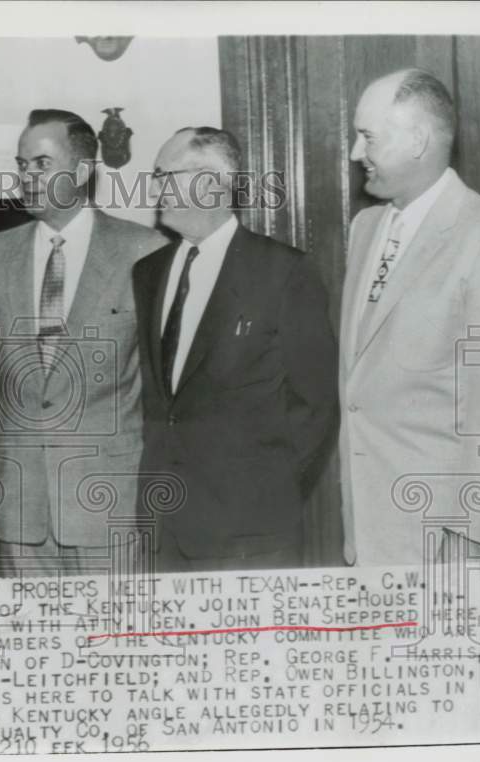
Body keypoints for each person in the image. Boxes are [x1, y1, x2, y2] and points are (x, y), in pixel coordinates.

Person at [0, 108, 167, 575]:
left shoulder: (144, 250)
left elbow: (164, 379)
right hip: (20, 501)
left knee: (116, 639)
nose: (27, 177)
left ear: (83, 169)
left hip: (108, 500)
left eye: (42, 164)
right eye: (21, 165)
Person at [134, 126, 338, 572]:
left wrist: (266, 490)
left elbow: (316, 406)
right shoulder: (147, 274)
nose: (154, 188)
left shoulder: (283, 273)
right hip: (163, 528)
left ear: (210, 183)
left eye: (164, 175)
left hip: (251, 531)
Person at [340, 68, 480, 565]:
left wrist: (467, 543)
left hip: (439, 541)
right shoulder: (365, 227)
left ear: (417, 140)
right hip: (366, 534)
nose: (354, 154)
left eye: (367, 137)